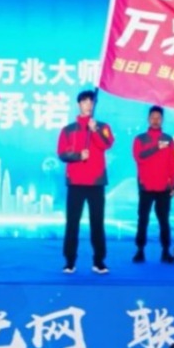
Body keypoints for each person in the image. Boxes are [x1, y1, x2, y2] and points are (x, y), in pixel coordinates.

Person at [57, 90, 114, 274]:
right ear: (78, 104)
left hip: (96, 183)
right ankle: (70, 261)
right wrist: (78, 156)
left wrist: (94, 130)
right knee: (72, 223)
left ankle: (99, 261)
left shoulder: (103, 127)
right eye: (84, 101)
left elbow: (106, 144)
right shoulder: (68, 129)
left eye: (91, 101)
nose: (88, 104)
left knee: (97, 223)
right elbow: (62, 153)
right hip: (75, 183)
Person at [132, 106, 174, 264]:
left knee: (164, 220)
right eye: (153, 117)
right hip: (145, 186)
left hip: (164, 187)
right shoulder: (140, 139)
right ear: (148, 119)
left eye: (158, 117)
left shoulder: (169, 140)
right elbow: (139, 157)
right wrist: (156, 147)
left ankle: (166, 251)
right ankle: (140, 250)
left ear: (162, 120)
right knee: (143, 219)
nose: (155, 120)